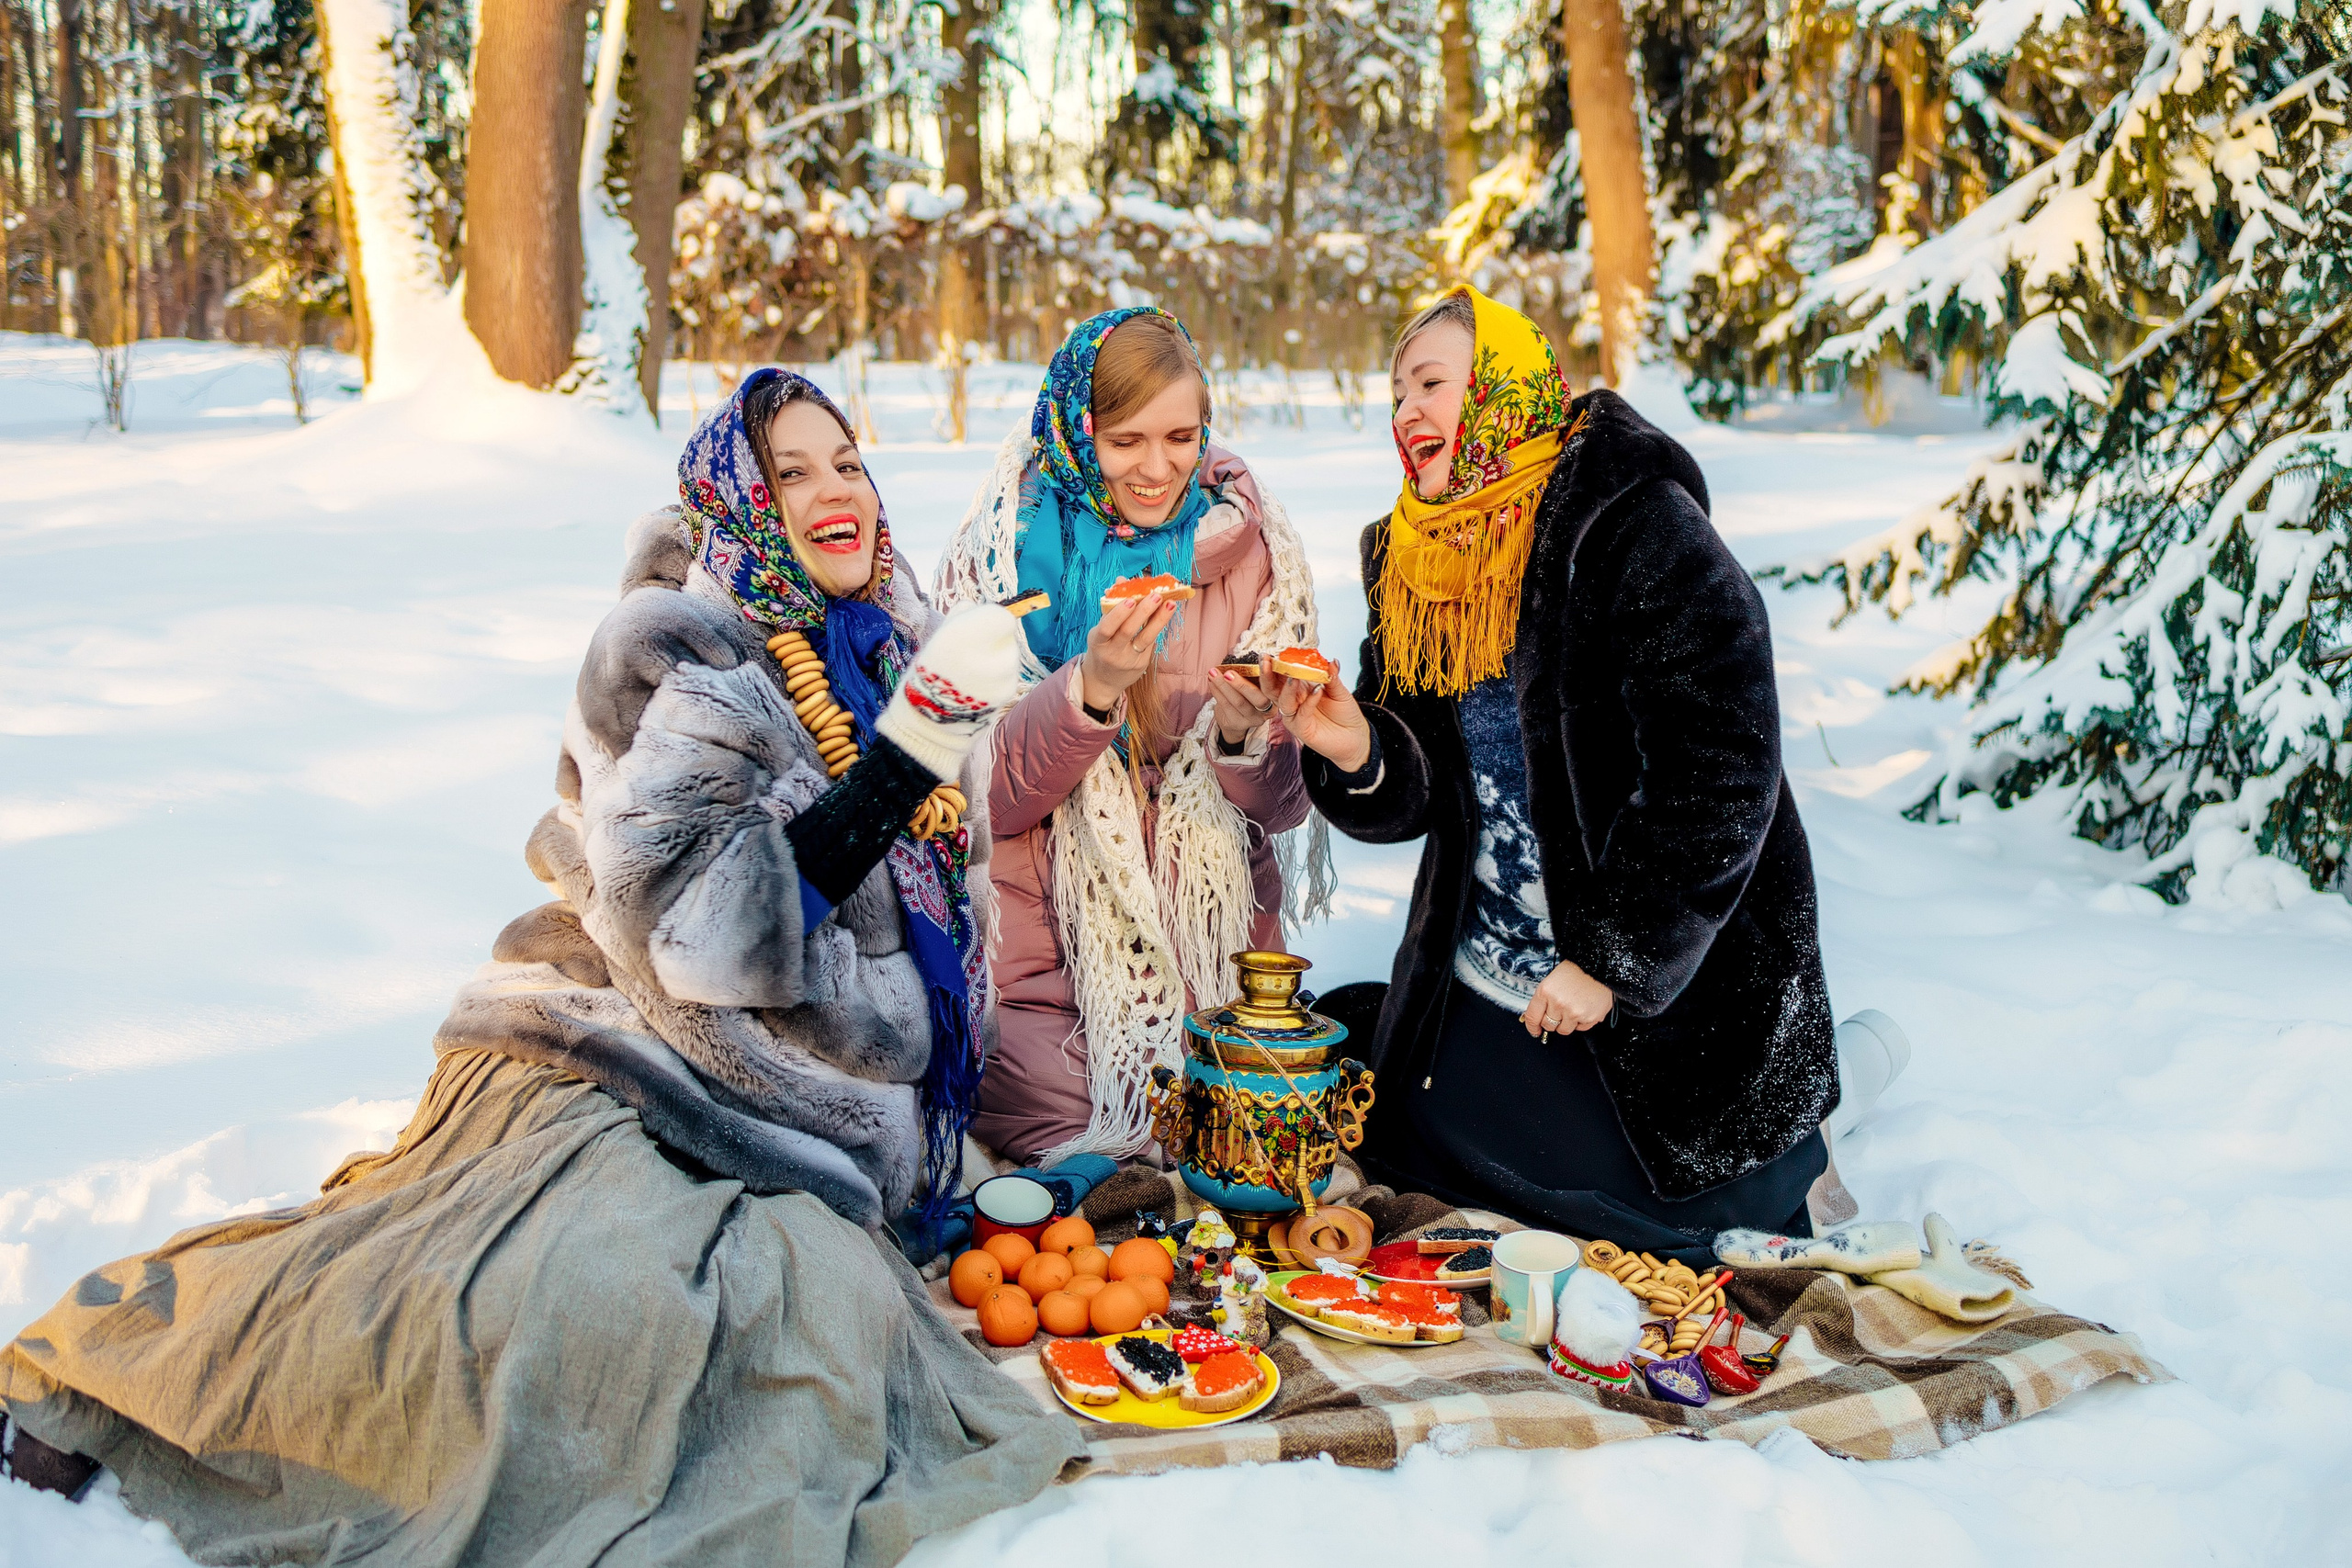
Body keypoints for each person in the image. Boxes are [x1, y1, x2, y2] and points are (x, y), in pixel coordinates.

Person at [0, 371, 1085, 1563]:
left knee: (818, 1311)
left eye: (849, 461)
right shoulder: (686, 658)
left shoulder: (890, 639)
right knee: (559, 1297)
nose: (837, 492)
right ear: (740, 499)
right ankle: (145, 1375)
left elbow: (940, 900)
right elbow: (707, 937)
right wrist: (903, 757)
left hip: (801, 1098)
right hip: (618, 1042)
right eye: (793, 471)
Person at [1272, 285, 1843, 1259]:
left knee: (1680, 1225)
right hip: (1493, 967)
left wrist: (1611, 965)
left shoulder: (1631, 523)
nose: (1405, 412)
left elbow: (1723, 766)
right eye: (1395, 394)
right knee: (1427, 1156)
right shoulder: (1410, 556)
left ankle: (1816, 1110)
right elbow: (1416, 795)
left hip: (1663, 979)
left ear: (1505, 386)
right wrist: (1351, 745)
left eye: (1430, 383)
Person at [935, 307, 1327, 1166]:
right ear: (1080, 433)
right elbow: (974, 795)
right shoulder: (999, 554)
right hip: (1045, 966)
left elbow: (1288, 809)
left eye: (1182, 435)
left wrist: (1240, 738)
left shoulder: (1254, 554)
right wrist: (1090, 691)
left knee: (1262, 1136)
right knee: (1102, 1136)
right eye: (1126, 441)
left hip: (1220, 951)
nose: (1159, 469)